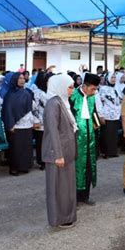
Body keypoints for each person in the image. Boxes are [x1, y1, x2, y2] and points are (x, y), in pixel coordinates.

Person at [42, 74, 78, 228]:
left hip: (67, 151)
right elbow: (53, 130)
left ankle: (67, 216)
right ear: (61, 86)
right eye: (70, 87)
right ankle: (58, 219)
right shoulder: (53, 103)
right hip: (58, 153)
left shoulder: (63, 102)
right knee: (57, 189)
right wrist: (58, 154)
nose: (72, 90)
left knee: (67, 188)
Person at [69, 73, 101, 205]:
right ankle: (74, 198)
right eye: (93, 89)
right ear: (85, 86)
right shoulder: (73, 96)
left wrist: (97, 125)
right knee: (77, 168)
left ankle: (85, 196)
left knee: (89, 166)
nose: (95, 91)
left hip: (90, 138)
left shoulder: (92, 97)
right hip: (76, 138)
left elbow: (94, 112)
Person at [2, 72, 39, 176]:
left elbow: (32, 108)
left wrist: (34, 121)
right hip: (16, 125)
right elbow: (7, 110)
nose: (22, 80)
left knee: (26, 146)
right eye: (19, 78)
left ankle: (24, 166)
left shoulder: (27, 92)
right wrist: (10, 125)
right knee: (16, 147)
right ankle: (15, 167)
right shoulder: (10, 94)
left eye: (23, 78)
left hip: (27, 124)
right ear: (14, 80)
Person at [96, 72, 121, 158]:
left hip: (116, 115)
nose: (113, 79)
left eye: (114, 78)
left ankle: (113, 152)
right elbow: (100, 102)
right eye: (112, 78)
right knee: (107, 134)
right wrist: (101, 115)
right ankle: (106, 152)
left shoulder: (116, 88)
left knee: (114, 134)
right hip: (107, 114)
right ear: (108, 79)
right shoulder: (103, 89)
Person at [32, 72, 49, 170]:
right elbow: (34, 108)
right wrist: (36, 120)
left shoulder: (49, 92)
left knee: (48, 143)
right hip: (40, 122)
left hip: (48, 122)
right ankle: (41, 162)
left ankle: (48, 160)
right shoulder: (37, 92)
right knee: (41, 143)